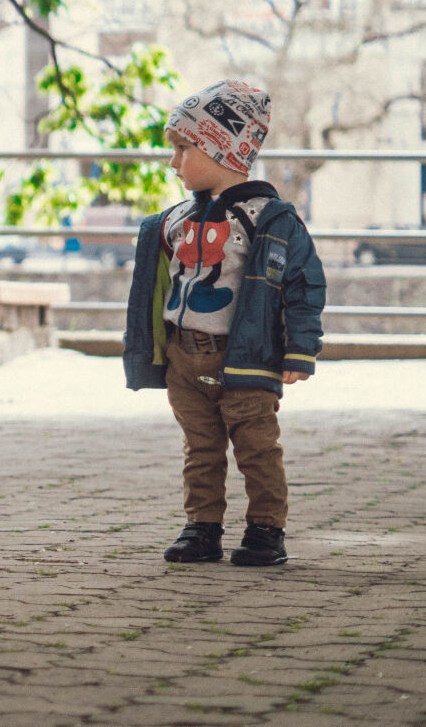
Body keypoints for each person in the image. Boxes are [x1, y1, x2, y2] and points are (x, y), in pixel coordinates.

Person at [122, 80, 325, 567]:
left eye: (182, 149)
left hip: (245, 356)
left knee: (256, 447)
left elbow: (303, 285)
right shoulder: (173, 222)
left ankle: (265, 531)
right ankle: (202, 527)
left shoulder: (271, 220)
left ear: (222, 150)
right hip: (184, 356)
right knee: (201, 448)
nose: (174, 162)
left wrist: (300, 350)